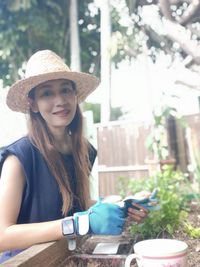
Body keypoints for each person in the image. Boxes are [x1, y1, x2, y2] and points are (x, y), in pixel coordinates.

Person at [0, 50, 148, 263]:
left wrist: (122, 207)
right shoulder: (19, 158)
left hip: (68, 257)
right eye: (47, 93)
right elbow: (2, 236)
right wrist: (77, 224)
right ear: (33, 104)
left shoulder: (83, 151)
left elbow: (77, 205)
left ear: (75, 95)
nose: (60, 100)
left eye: (65, 90)